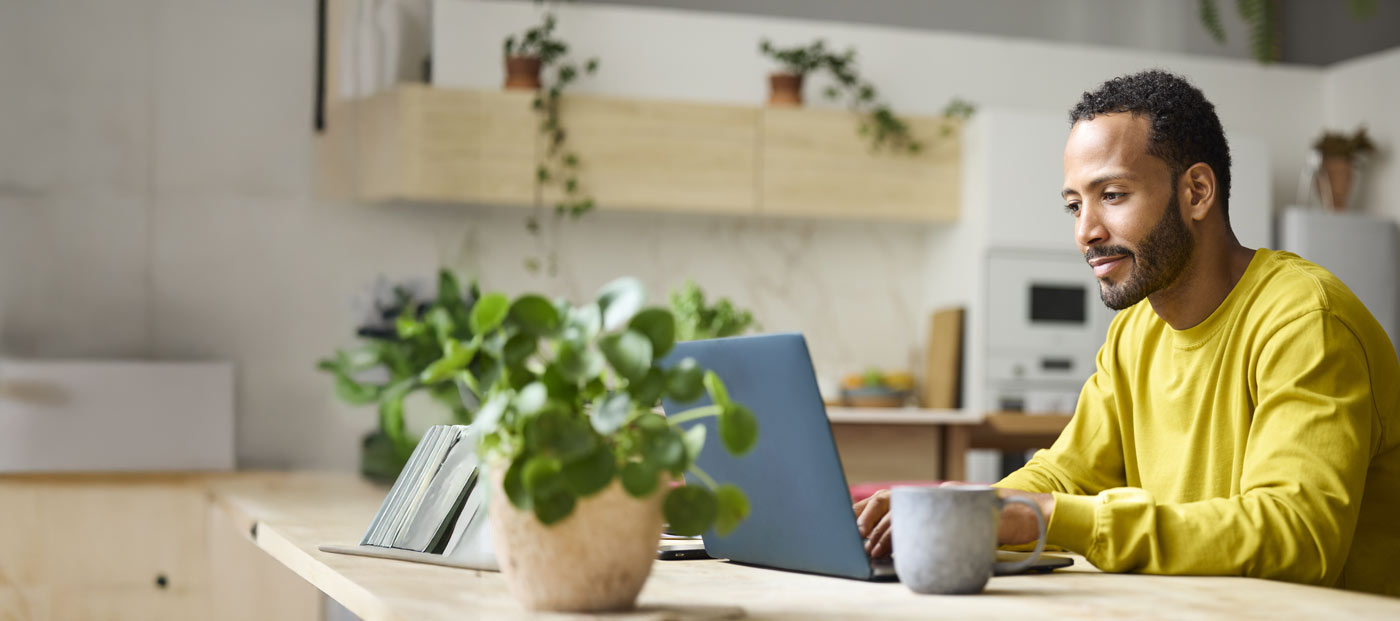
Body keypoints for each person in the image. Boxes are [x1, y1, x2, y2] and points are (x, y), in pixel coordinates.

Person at [854, 69, 1400, 596]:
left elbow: (1296, 535)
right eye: (1074, 205)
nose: (1086, 232)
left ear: (1197, 192)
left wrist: (1044, 518)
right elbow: (1065, 476)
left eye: (1112, 195)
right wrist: (960, 512)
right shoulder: (1136, 331)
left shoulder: (1305, 320)